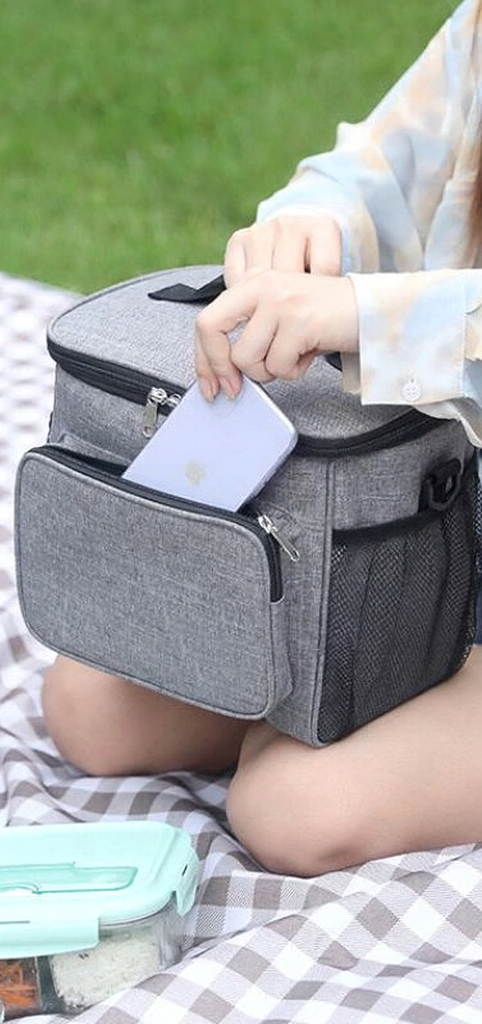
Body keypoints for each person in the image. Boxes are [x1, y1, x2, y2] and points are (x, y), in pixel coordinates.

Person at [41, 0, 482, 877]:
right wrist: (302, 227)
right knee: (85, 705)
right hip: (433, 518)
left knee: (287, 806)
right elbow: (376, 167)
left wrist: (364, 312)